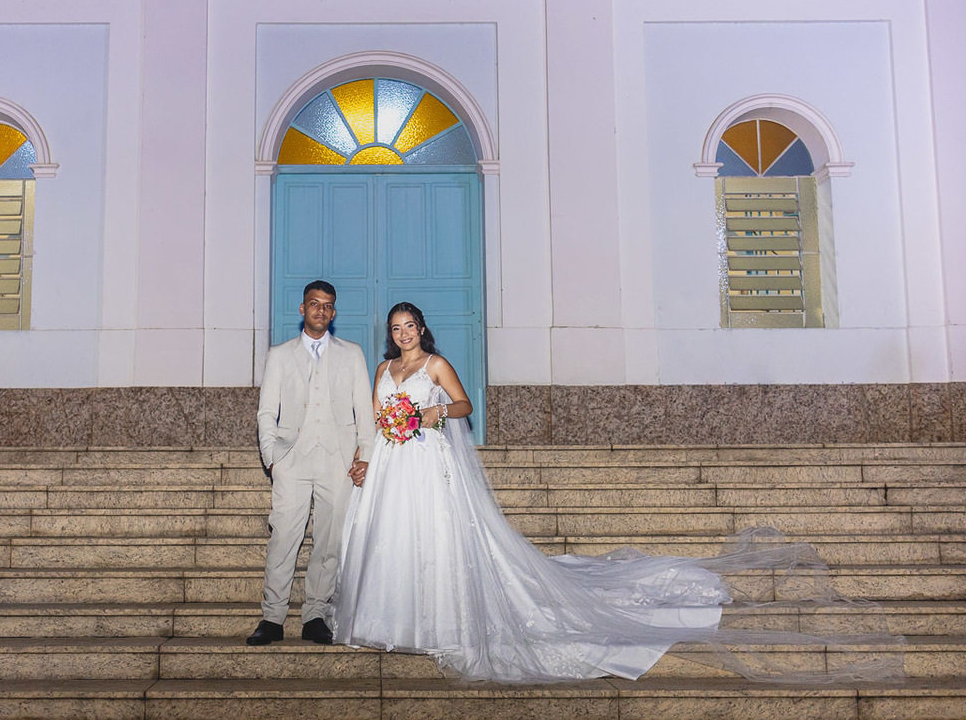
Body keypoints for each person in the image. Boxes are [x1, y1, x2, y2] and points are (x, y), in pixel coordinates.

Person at [332, 302, 902, 682]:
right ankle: (391, 620)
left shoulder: (436, 364)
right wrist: (369, 452)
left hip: (428, 464)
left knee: (434, 539)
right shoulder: (383, 369)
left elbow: (465, 407)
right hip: (391, 465)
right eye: (396, 328)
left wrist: (431, 413)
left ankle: (439, 619)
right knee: (392, 540)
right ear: (391, 334)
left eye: (410, 326)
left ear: (422, 329)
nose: (403, 334)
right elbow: (376, 417)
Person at [249, 280, 375, 646]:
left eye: (327, 305)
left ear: (333, 313)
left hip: (338, 460)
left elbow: (363, 411)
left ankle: (315, 614)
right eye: (314, 304)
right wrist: (273, 457)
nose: (320, 310)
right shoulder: (280, 354)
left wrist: (364, 454)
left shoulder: (351, 354)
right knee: (284, 537)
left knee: (330, 540)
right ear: (302, 309)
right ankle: (272, 618)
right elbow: (267, 412)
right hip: (292, 459)